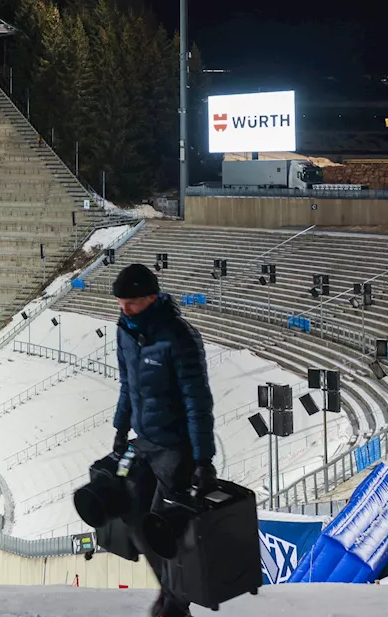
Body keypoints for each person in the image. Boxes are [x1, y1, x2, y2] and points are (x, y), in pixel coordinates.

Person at [108, 263, 216, 617]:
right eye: (121, 303)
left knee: (164, 527)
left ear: (152, 298)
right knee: (134, 519)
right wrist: (121, 430)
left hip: (176, 448)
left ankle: (175, 602)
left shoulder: (178, 337)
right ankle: (169, 590)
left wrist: (203, 460)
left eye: (132, 303)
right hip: (144, 442)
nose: (125, 309)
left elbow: (196, 401)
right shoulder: (124, 332)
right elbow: (128, 386)